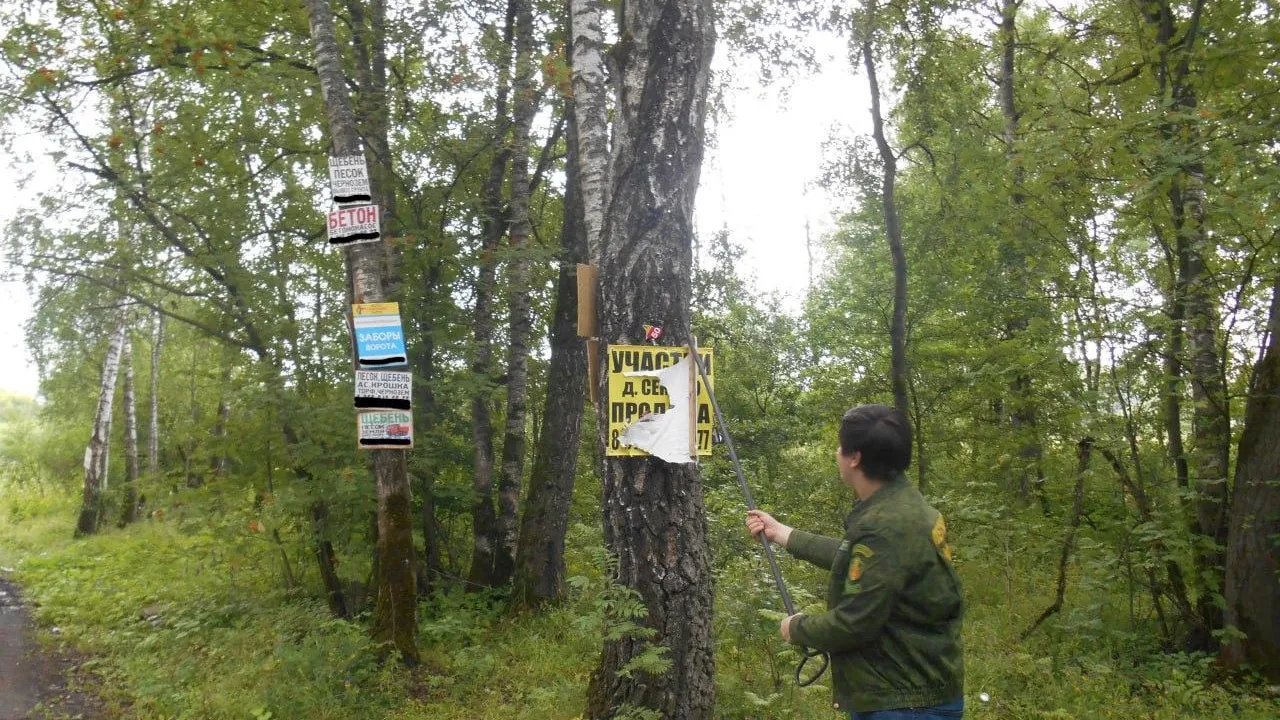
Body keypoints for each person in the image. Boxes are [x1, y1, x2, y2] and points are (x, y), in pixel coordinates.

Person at [746, 404, 965, 719]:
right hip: (916, 693)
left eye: (840, 446)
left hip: (904, 702)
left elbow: (855, 624)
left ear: (855, 457)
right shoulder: (903, 508)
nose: (837, 452)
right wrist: (781, 533)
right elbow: (861, 560)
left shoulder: (885, 525)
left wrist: (797, 628)